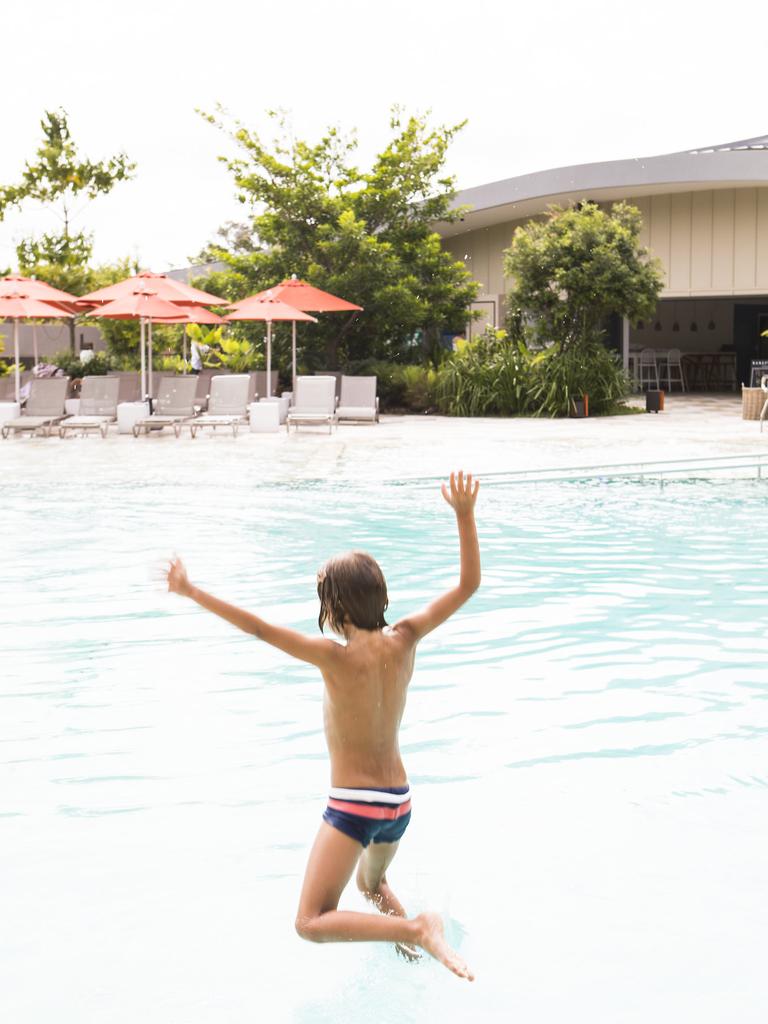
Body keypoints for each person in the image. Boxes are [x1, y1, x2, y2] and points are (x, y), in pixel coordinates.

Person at [164, 470, 480, 980]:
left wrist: (193, 591)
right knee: (371, 888)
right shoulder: (407, 636)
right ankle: (420, 951)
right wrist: (464, 517)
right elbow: (468, 585)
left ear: (332, 607)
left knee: (310, 922)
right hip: (398, 802)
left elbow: (258, 628)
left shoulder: (334, 657)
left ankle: (417, 930)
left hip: (356, 804)